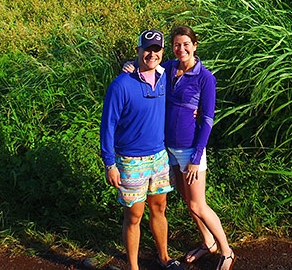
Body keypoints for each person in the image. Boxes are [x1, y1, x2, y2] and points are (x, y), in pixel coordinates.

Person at [125, 25, 236, 270]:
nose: (181, 49)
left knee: (198, 203)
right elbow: (147, 64)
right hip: (168, 148)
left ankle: (226, 251)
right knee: (187, 199)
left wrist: (197, 156)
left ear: (195, 46)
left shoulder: (205, 78)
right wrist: (129, 64)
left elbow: (207, 119)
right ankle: (208, 242)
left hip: (190, 150)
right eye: (176, 45)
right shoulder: (170, 69)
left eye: (186, 44)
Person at [100, 30, 184, 270]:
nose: (152, 54)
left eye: (156, 49)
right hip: (130, 160)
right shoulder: (121, 85)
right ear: (137, 50)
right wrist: (110, 164)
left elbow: (187, 69)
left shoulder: (165, 76)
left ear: (162, 52)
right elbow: (108, 125)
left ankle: (164, 257)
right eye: (147, 49)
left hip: (159, 157)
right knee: (134, 216)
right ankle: (134, 267)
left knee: (159, 208)